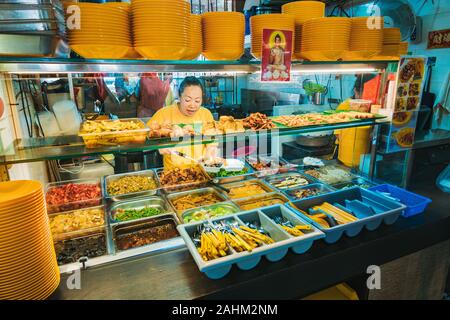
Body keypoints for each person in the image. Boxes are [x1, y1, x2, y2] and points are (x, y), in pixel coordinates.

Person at [147, 76, 218, 169]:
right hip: (173, 172)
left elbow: (212, 138)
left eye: (197, 101)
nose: (192, 105)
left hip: (201, 169)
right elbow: (146, 134)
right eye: (187, 100)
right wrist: (159, 145)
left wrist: (210, 150)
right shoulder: (165, 113)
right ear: (179, 96)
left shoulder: (205, 114)